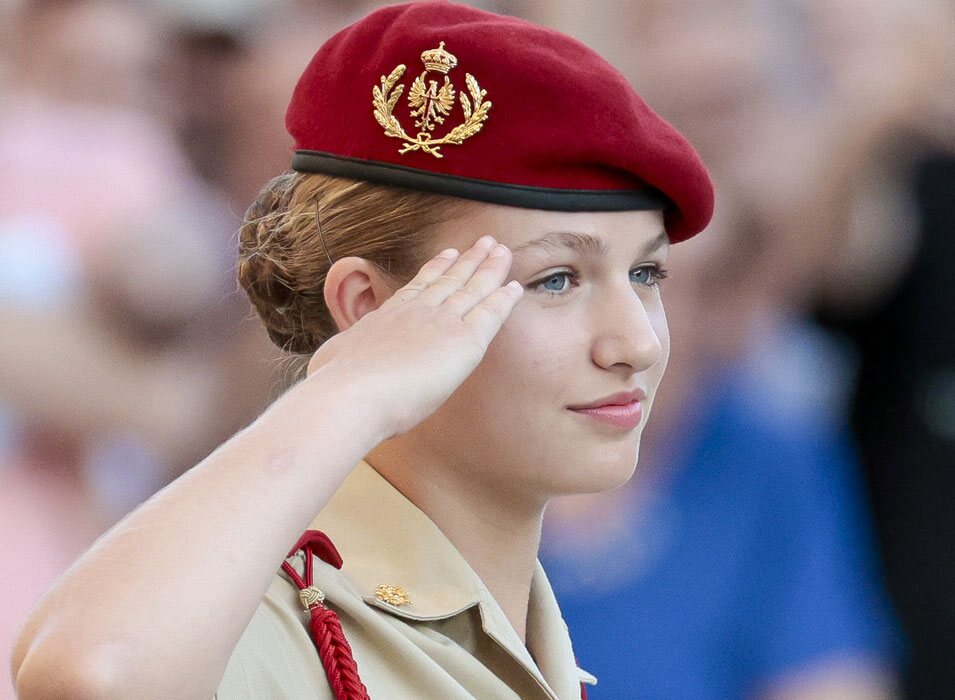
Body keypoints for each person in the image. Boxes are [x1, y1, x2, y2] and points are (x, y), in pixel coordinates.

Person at [10, 3, 713, 699]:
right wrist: (352, 389)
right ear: (368, 309)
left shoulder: (518, 622)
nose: (638, 343)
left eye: (645, 273)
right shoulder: (275, 619)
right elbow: (95, 676)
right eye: (555, 279)